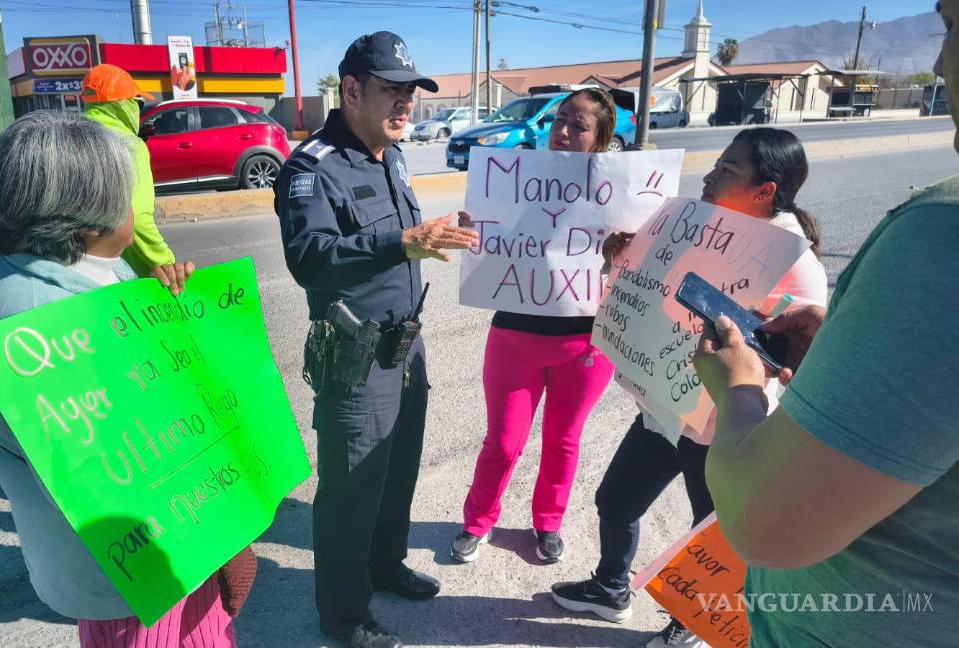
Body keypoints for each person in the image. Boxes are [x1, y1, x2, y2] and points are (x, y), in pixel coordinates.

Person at [693, 3, 959, 644]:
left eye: (952, 27)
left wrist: (738, 388)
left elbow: (767, 523)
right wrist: (848, 343)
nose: (939, 62)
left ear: (765, 189)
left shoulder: (941, 239)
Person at [0, 111, 251, 647]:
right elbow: (101, 464)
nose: (145, 209)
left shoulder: (86, 264)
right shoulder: (25, 323)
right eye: (134, 197)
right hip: (134, 581)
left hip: (176, 548)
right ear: (90, 219)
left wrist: (168, 315)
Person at [551, 128, 828, 648]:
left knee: (711, 538)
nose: (710, 175)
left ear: (764, 191)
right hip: (665, 405)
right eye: (718, 164)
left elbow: (804, 355)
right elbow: (652, 293)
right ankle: (611, 588)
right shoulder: (695, 226)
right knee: (615, 499)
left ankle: (693, 625)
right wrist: (623, 260)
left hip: (723, 424)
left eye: (727, 170)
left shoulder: (796, 263)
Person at [274, 31, 480, 648]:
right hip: (355, 355)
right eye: (391, 91)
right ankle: (342, 614)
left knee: (398, 468)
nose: (405, 105)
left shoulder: (389, 155)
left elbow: (405, 236)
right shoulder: (311, 167)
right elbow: (310, 259)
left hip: (404, 344)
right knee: (351, 486)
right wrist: (403, 242)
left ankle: (384, 565)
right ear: (353, 90)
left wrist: (435, 234)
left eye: (410, 93)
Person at [450, 88, 620, 566]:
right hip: (514, 337)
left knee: (563, 441)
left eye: (579, 126)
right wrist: (475, 228)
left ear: (599, 140)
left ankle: (549, 522)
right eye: (560, 120)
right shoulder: (515, 180)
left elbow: (641, 266)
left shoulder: (617, 197)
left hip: (585, 344)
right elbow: (494, 242)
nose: (563, 132)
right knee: (503, 442)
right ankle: (477, 520)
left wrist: (625, 246)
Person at [81, 63, 193, 295]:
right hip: (123, 274)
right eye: (138, 103)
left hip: (78, 269)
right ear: (124, 106)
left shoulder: (69, 139)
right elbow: (137, 218)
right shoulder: (129, 146)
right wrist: (166, 262)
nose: (139, 110)